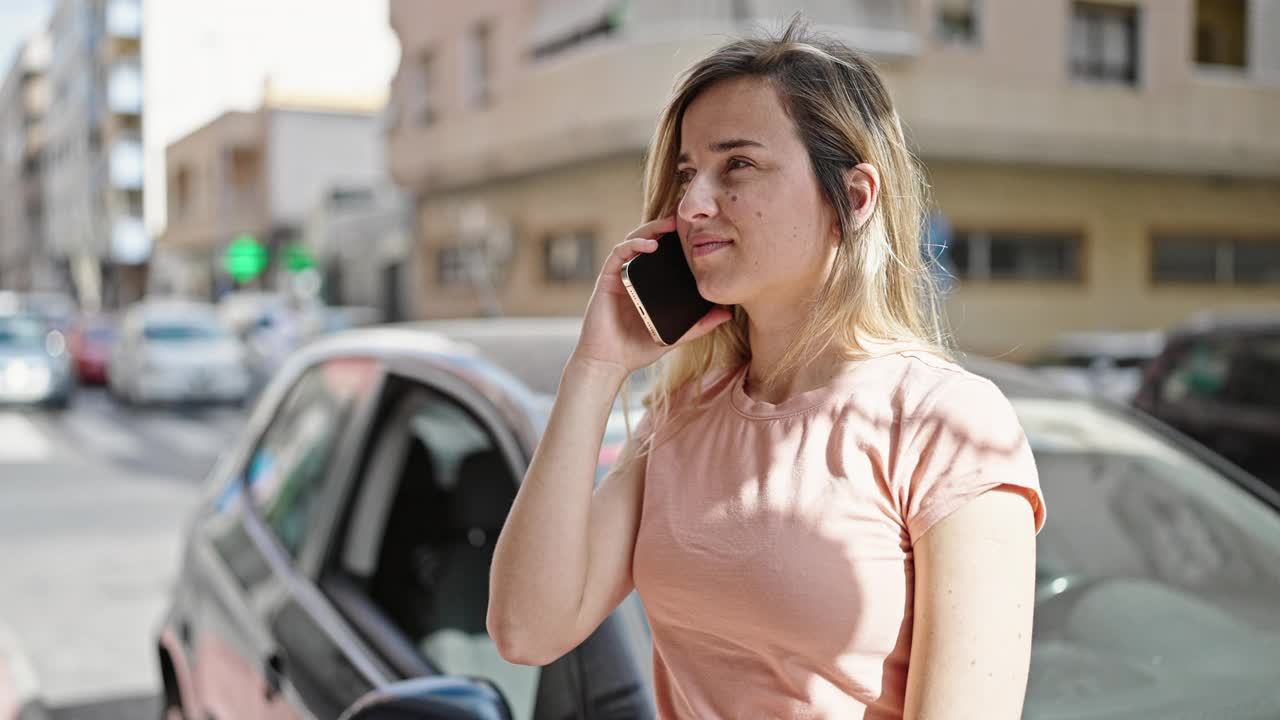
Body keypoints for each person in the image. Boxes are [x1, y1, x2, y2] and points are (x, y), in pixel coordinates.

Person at [489, 19, 1046, 719]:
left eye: (738, 166)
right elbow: (526, 629)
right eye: (687, 173)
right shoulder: (682, 412)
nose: (691, 205)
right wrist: (595, 369)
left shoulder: (944, 421)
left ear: (855, 197)